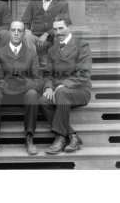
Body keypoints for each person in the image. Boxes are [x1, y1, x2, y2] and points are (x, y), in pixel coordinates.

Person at [0, 20, 42, 156]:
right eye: (13, 30)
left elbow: (38, 79)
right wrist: (10, 85)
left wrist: (23, 84)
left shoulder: (31, 53)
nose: (16, 33)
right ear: (9, 32)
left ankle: (29, 137)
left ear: (24, 33)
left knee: (33, 94)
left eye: (19, 30)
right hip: (5, 91)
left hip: (24, 91)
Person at [39, 15, 92, 154]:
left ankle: (60, 138)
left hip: (79, 91)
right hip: (59, 90)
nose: (58, 32)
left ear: (70, 28)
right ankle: (72, 136)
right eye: (55, 29)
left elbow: (84, 73)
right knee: (44, 100)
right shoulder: (52, 49)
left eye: (61, 28)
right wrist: (49, 87)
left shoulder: (82, 45)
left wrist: (64, 85)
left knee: (61, 92)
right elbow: (47, 73)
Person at [22, 0, 69, 65]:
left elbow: (65, 23)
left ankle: (53, 64)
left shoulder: (62, 2)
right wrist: (27, 30)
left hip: (53, 38)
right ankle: (34, 63)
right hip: (36, 38)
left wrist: (47, 34)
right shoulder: (33, 1)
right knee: (26, 36)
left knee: (60, 36)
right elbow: (25, 20)